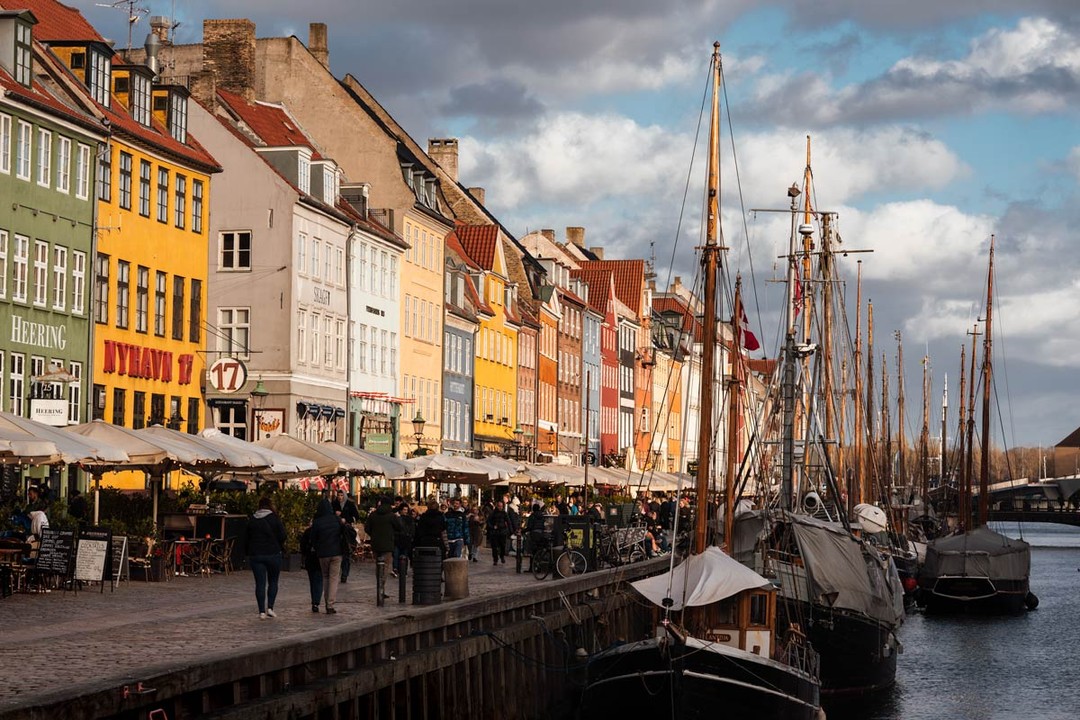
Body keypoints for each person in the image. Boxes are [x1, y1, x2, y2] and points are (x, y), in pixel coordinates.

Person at [242, 496, 286, 620]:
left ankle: (261, 611)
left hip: (256, 555)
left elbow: (246, 538)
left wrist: (247, 553)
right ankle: (270, 608)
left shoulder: (252, 519)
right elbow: (283, 535)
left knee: (260, 583)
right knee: (273, 582)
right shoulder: (274, 518)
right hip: (273, 554)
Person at [310, 498, 344, 614]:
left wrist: (317, 547)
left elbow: (313, 539)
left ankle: (326, 602)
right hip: (336, 552)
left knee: (325, 577)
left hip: (323, 553)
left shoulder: (317, 522)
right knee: (334, 578)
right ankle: (330, 604)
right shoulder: (336, 519)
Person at [364, 496, 401, 599]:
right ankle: (381, 588)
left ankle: (379, 587)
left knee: (378, 565)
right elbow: (400, 527)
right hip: (388, 544)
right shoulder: (391, 515)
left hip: (376, 544)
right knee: (385, 567)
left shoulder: (373, 515)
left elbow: (367, 528)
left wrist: (374, 534)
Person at [333, 490, 361, 584]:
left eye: (341, 495)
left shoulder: (350, 504)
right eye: (338, 495)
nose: (340, 497)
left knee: (346, 554)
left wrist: (346, 518)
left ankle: (344, 574)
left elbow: (356, 516)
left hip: (346, 531)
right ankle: (337, 573)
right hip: (336, 531)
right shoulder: (334, 503)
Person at [299, 522, 322, 613]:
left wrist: (305, 554)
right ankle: (316, 601)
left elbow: (302, 545)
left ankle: (314, 601)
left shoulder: (308, 531)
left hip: (310, 558)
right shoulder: (322, 531)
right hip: (319, 558)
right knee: (319, 580)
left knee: (313, 581)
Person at [486, 500, 513, 565]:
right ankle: (495, 559)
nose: (500, 508)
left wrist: (511, 531)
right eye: (499, 506)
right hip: (495, 532)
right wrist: (492, 527)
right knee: (494, 547)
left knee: (502, 546)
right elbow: (488, 522)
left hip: (502, 531)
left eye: (501, 506)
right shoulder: (493, 513)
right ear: (497, 506)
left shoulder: (504, 513)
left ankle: (502, 556)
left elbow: (509, 522)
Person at [393, 504, 415, 577]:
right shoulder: (396, 518)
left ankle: (403, 571)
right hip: (398, 539)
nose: (405, 511)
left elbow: (406, 527)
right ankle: (395, 569)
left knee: (404, 556)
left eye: (406, 510)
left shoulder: (409, 519)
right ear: (400, 510)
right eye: (404, 510)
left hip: (405, 540)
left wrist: (411, 536)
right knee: (396, 555)